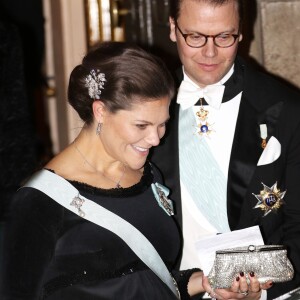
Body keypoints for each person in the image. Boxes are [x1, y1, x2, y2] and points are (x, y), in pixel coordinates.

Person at [0, 41, 266, 300]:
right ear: (100, 111)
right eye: (141, 126)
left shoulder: (149, 176)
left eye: (162, 124)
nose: (155, 139)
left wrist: (203, 282)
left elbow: (148, 280)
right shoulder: (38, 201)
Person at [150, 0, 300, 299]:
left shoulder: (287, 110)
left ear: (241, 32)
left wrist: (262, 292)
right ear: (172, 28)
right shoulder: (143, 103)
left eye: (224, 37)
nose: (210, 52)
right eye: (195, 36)